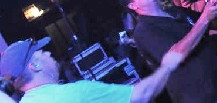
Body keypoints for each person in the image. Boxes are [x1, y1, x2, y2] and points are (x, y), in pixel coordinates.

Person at [123, 0, 217, 103]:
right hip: (199, 97)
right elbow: (176, 54)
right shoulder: (144, 31)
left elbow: (209, 25)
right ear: (132, 5)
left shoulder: (173, 11)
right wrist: (205, 17)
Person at [0, 35, 189, 103]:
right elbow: (142, 94)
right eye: (42, 53)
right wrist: (167, 66)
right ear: (35, 65)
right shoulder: (77, 94)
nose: (49, 55)